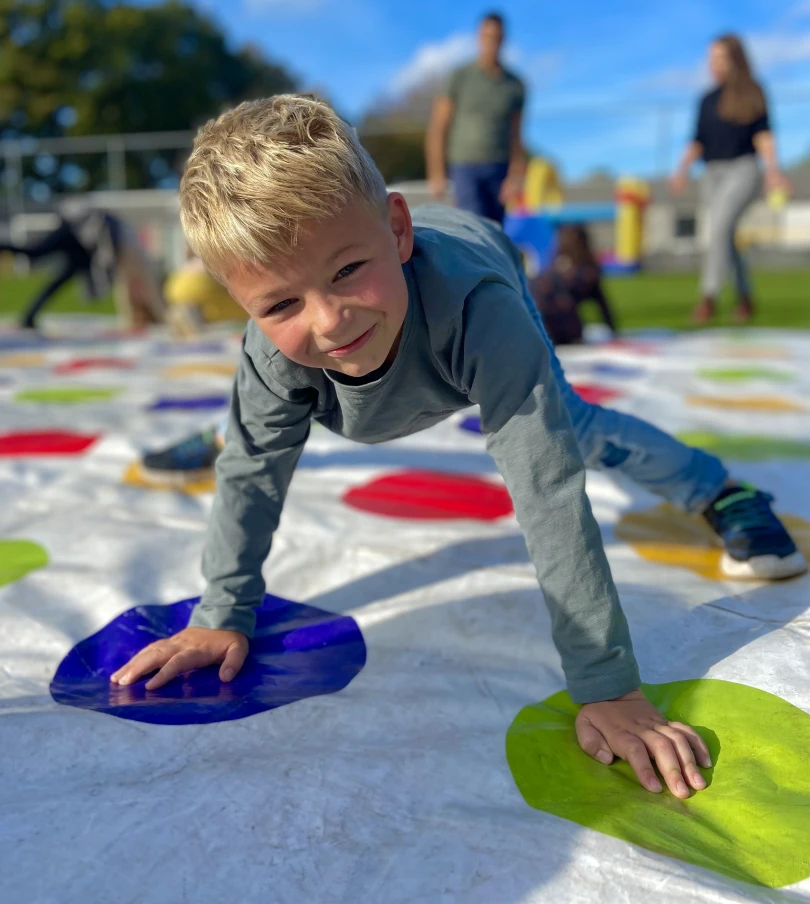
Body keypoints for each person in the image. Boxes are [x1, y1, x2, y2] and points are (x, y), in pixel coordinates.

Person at [113, 96, 805, 802]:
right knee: (257, 442)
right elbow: (254, 479)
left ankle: (722, 489)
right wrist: (223, 612)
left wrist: (609, 687)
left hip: (477, 278)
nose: (330, 319)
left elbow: (547, 489)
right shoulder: (271, 355)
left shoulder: (479, 308)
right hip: (306, 384)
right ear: (245, 306)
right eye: (281, 306)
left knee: (565, 426)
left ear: (398, 229)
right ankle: (234, 424)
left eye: (349, 270)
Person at [670, 34, 792, 324]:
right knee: (725, 236)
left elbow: (763, 136)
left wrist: (774, 171)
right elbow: (698, 141)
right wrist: (681, 170)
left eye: (721, 58)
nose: (714, 64)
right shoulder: (706, 100)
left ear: (735, 60)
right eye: (711, 58)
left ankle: (708, 297)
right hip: (712, 174)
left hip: (743, 170)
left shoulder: (753, 92)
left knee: (720, 227)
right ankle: (745, 296)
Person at [425, 13, 526, 224]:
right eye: (486, 36)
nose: (491, 42)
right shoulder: (460, 76)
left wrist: (516, 176)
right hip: (465, 166)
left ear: (503, 39)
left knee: (496, 232)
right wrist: (436, 172)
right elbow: (438, 126)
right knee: (472, 227)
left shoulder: (515, 85)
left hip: (500, 167)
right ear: (479, 38)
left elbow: (517, 134)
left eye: (496, 37)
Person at [0, 201, 164, 329]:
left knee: (56, 281)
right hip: (76, 236)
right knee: (35, 253)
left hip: (84, 250)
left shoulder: (129, 250)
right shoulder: (133, 251)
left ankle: (29, 317)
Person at [529, 224, 616, 345]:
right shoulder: (585, 272)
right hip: (553, 325)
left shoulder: (556, 268)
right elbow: (600, 302)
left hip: (539, 324)